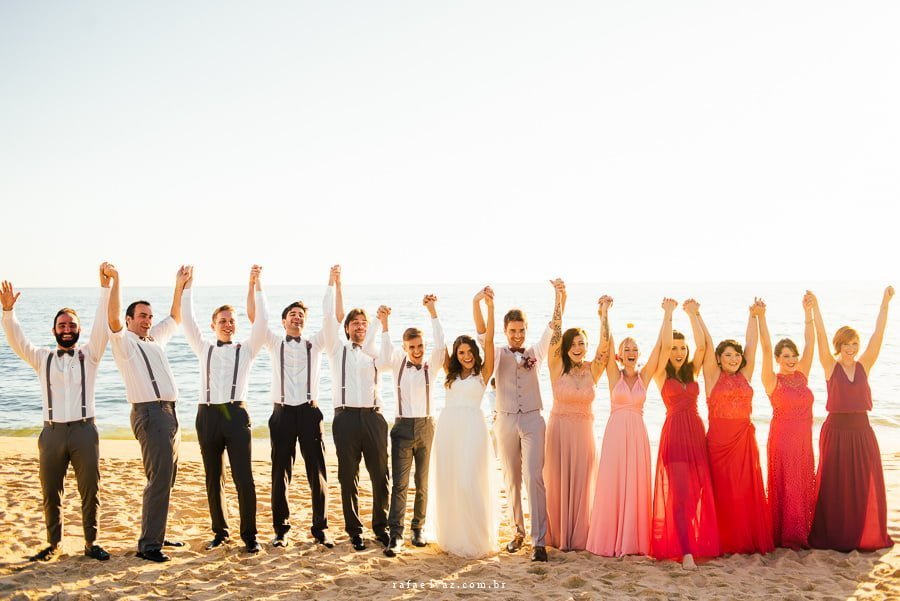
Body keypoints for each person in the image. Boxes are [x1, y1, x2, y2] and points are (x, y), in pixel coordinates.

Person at [0, 265, 112, 562]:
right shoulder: (42, 358)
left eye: (71, 325)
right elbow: (17, 341)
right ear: (54, 330)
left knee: (90, 489)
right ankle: (53, 543)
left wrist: (105, 288)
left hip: (85, 431)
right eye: (62, 325)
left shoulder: (91, 355)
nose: (66, 329)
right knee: (51, 491)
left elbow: (103, 325)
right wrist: (8, 313)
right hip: (51, 433)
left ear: (78, 329)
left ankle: (92, 541)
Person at [181, 265, 268, 553]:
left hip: (236, 414)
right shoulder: (203, 347)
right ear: (213, 325)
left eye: (231, 320)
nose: (228, 324)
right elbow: (187, 319)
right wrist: (187, 286)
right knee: (212, 476)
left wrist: (255, 284)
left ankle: (250, 535)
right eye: (222, 320)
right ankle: (220, 532)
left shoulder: (247, 349)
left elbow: (262, 322)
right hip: (207, 416)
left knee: (244, 477)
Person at [249, 266, 337, 549]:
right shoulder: (274, 342)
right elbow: (258, 317)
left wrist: (332, 283)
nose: (297, 318)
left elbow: (330, 317)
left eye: (301, 315)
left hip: (310, 413)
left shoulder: (316, 343)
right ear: (284, 320)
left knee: (317, 473)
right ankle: (281, 529)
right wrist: (256, 282)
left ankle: (320, 528)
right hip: (283, 414)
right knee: (280, 473)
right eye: (292, 314)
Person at [107, 265, 189, 563]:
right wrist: (117, 280)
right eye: (141, 316)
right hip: (150, 414)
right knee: (159, 479)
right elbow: (112, 318)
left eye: (149, 316)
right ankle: (149, 545)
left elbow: (176, 317)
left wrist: (178, 284)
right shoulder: (123, 341)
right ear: (129, 319)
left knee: (167, 477)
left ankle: (157, 531)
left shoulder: (154, 339)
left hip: (170, 414)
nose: (147, 320)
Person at [807, 287, 895, 552]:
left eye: (855, 344)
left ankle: (860, 533)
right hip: (836, 430)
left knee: (862, 483)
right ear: (839, 346)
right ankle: (835, 535)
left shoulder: (864, 365)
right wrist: (815, 308)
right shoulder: (829, 366)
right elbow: (821, 336)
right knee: (835, 485)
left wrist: (885, 302)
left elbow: (878, 335)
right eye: (847, 344)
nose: (852, 348)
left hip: (862, 431)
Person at [585, 295, 672, 557]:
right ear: (619, 357)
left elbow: (662, 347)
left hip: (637, 435)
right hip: (615, 434)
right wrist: (604, 313)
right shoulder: (614, 375)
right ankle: (610, 539)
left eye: (635, 349)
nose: (631, 352)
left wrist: (667, 315)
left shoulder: (645, 376)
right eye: (627, 350)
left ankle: (633, 541)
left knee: (636, 486)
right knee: (613, 483)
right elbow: (607, 341)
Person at [477, 282, 557, 562]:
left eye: (521, 330)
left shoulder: (536, 352)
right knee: (511, 479)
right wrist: (485, 304)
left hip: (534, 419)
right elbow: (481, 333)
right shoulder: (497, 354)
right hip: (505, 421)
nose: (517, 335)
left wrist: (560, 296)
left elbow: (553, 328)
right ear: (505, 331)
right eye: (512, 331)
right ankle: (517, 532)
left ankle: (539, 541)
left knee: (534, 477)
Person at [323, 266, 390, 552]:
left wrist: (383, 324)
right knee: (348, 476)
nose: (360, 326)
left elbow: (387, 361)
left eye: (364, 323)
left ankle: (381, 526)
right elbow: (329, 317)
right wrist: (335, 283)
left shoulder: (374, 352)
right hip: (346, 418)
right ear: (347, 327)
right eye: (355, 323)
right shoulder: (336, 349)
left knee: (380, 476)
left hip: (374, 418)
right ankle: (355, 530)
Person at [428, 286, 498, 558]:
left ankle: (476, 537)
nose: (466, 356)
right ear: (456, 356)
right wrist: (433, 311)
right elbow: (440, 341)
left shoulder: (483, 373)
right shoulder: (450, 373)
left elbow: (489, 340)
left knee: (470, 481)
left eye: (469, 351)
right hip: (448, 430)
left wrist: (485, 306)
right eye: (461, 353)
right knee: (451, 482)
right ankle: (453, 536)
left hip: (473, 429)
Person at [650, 299, 720, 568]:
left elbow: (704, 347)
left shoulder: (692, 371)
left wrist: (694, 314)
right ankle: (686, 551)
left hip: (696, 436)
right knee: (679, 495)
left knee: (695, 494)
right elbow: (663, 346)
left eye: (682, 348)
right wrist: (668, 314)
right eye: (674, 348)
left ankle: (687, 540)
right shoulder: (660, 374)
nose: (678, 352)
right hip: (675, 439)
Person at [700, 299, 774, 555]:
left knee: (744, 492)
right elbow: (707, 345)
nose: (734, 358)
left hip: (744, 441)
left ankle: (744, 540)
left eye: (736, 354)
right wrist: (696, 314)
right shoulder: (711, 376)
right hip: (719, 444)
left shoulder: (745, 374)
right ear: (718, 360)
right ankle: (723, 540)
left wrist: (753, 315)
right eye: (728, 355)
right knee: (722, 492)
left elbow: (752, 346)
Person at [378, 295, 445, 557]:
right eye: (412, 347)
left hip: (427, 427)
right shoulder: (397, 364)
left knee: (423, 481)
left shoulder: (432, 367)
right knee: (400, 484)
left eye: (419, 346)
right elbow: (385, 350)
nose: (417, 351)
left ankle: (418, 529)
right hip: (402, 429)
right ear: (405, 348)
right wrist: (384, 324)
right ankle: (396, 535)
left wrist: (432, 311)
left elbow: (441, 345)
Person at [543, 283, 607, 551]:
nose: (579, 347)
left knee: (583, 482)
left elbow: (606, 346)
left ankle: (580, 536)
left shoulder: (594, 370)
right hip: (558, 433)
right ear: (567, 347)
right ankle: (557, 536)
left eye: (583, 343)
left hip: (583, 435)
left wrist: (603, 316)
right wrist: (559, 300)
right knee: (556, 484)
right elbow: (555, 335)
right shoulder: (557, 367)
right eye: (575, 343)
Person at [757, 294, 816, 549]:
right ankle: (788, 536)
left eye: (794, 355)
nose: (791, 360)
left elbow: (811, 342)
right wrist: (761, 318)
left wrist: (808, 313)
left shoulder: (802, 375)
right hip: (782, 440)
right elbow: (766, 348)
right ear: (778, 359)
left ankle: (802, 531)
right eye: (786, 356)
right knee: (788, 484)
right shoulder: (773, 381)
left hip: (804, 440)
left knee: (802, 483)